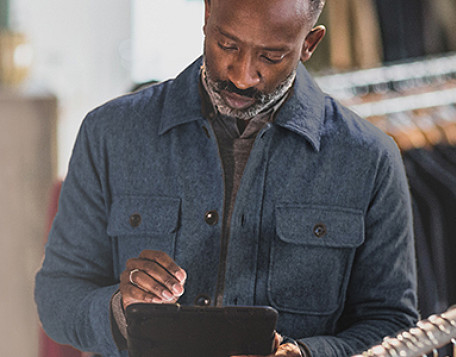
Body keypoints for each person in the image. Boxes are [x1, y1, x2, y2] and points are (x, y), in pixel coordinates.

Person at [35, 0, 419, 356]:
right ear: (206, 14)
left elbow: (393, 324)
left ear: (310, 44)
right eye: (227, 45)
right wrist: (122, 310)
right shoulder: (110, 133)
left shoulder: (370, 159)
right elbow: (56, 295)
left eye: (271, 56)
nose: (243, 76)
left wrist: (307, 354)